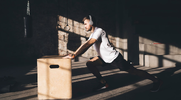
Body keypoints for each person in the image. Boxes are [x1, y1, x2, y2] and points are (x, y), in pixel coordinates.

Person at [63, 15, 163, 92]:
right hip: (103, 58)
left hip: (114, 58)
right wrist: (74, 54)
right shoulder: (93, 34)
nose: (84, 26)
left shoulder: (99, 30)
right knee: (90, 63)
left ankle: (156, 80)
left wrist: (74, 55)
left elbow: (89, 43)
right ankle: (103, 83)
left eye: (85, 23)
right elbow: (86, 43)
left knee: (133, 71)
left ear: (92, 22)